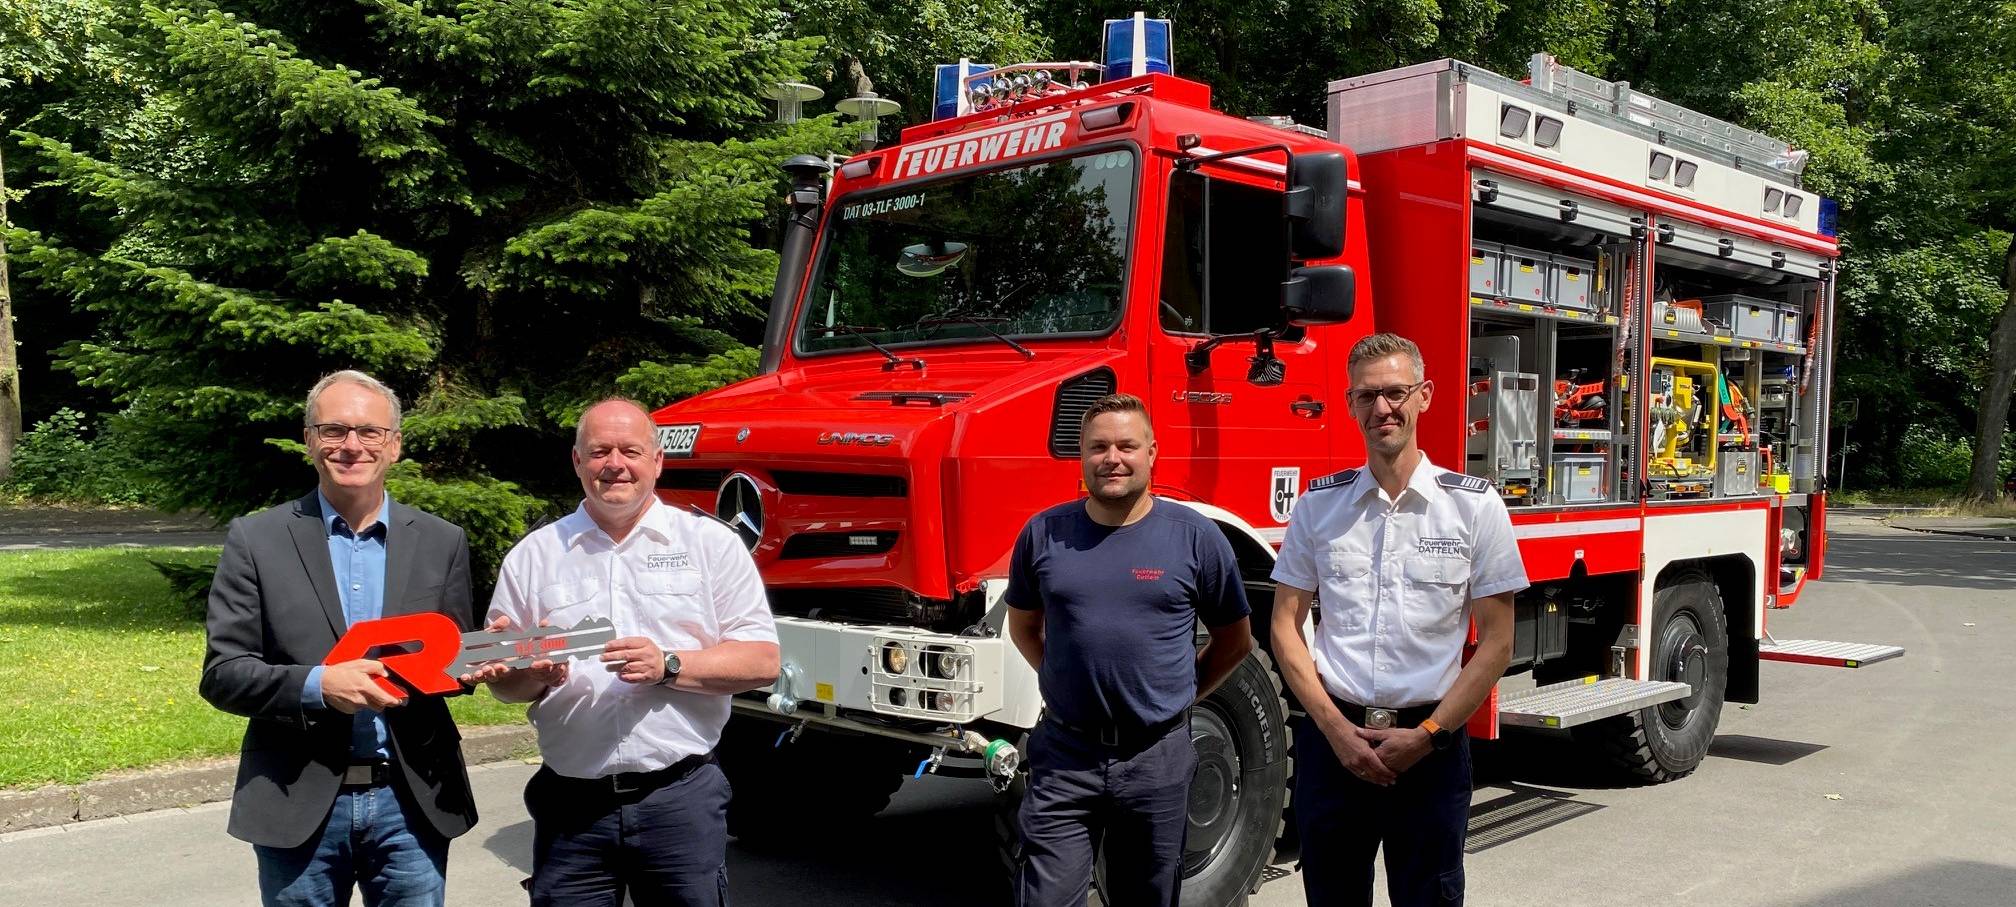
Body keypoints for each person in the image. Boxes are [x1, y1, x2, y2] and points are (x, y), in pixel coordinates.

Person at [477, 398, 779, 906]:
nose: (614, 463)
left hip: (679, 799)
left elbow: (762, 662)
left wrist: (670, 665)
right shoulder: (533, 556)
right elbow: (506, 687)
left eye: (630, 450)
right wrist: (532, 675)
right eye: (598, 452)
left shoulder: (711, 545)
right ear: (577, 462)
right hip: (571, 806)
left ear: (657, 461)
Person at [200, 370, 480, 906]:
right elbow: (223, 674)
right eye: (333, 430)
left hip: (411, 801)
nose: (352, 445)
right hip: (296, 798)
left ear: (394, 446)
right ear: (309, 440)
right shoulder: (257, 540)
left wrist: (486, 665)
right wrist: (318, 685)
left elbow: (450, 666)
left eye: (370, 432)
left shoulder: (443, 542)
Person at [1269, 333, 1526, 907]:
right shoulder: (1318, 506)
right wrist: (1336, 732)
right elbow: (1284, 626)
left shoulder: (1474, 506)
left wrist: (1428, 736)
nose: (1382, 408)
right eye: (1367, 396)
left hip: (1429, 750)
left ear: (1424, 396)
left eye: (1395, 393)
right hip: (1334, 748)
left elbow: (1498, 642)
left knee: (1429, 898)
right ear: (1349, 405)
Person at [1006, 392, 1255, 907]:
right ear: (1081, 456)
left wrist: (1180, 697)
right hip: (1065, 756)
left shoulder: (1196, 538)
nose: (1112, 458)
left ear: (1152, 452)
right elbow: (1024, 627)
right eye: (1098, 447)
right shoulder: (1043, 534)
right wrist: (1065, 681)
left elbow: (1236, 641)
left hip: (1155, 757)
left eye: (1127, 445)